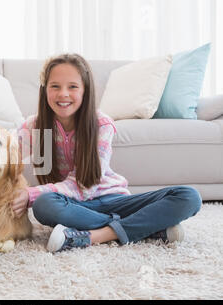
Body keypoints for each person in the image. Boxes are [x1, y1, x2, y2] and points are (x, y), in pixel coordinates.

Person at [12, 53, 202, 252]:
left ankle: (96, 236)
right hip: (73, 206)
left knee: (188, 196)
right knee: (43, 205)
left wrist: (29, 193)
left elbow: (85, 187)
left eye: (73, 87)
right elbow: (3, 152)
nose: (63, 94)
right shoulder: (35, 126)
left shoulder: (101, 124)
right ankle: (148, 229)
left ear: (85, 90)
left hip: (114, 200)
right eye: (55, 86)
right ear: (45, 89)